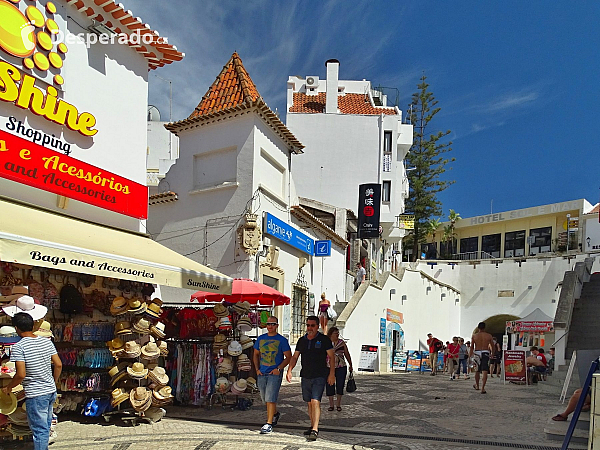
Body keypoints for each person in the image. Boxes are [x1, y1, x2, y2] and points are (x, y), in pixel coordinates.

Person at [2, 312, 62, 450]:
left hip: (36, 394)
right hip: (50, 391)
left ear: (16, 328)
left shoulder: (19, 347)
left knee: (39, 431)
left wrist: (9, 387)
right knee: (45, 427)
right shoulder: (46, 342)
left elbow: (21, 374)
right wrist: (53, 381)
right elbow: (58, 364)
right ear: (33, 325)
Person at [287, 316, 335, 442]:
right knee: (309, 402)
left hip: (320, 375)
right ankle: (312, 424)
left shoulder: (324, 340)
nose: (310, 328)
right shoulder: (302, 340)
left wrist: (332, 374)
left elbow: (332, 357)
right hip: (306, 375)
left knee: (315, 401)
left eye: (312, 325)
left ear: (318, 326)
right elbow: (295, 356)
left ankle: (315, 428)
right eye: (308, 325)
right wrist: (289, 370)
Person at [253, 316, 291, 434]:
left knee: (270, 397)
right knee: (265, 398)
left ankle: (269, 423)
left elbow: (288, 357)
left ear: (277, 325)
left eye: (273, 324)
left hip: (274, 373)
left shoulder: (282, 340)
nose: (270, 326)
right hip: (262, 373)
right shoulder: (260, 339)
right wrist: (257, 369)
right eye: (268, 324)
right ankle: (275, 413)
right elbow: (255, 354)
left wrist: (279, 369)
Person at [325, 327, 353, 411]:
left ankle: (338, 404)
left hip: (341, 366)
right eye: (335, 333)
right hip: (329, 366)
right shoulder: (327, 343)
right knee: (330, 385)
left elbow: (347, 353)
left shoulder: (342, 343)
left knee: (340, 385)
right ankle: (331, 404)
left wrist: (350, 364)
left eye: (338, 333)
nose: (337, 334)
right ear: (331, 334)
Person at [469, 322, 494, 394]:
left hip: (477, 352)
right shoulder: (488, 336)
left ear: (478, 328)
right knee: (485, 370)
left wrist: (470, 355)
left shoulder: (475, 336)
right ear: (484, 328)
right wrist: (492, 353)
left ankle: (477, 385)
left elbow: (472, 346)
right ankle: (483, 388)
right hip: (485, 352)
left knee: (477, 370)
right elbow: (492, 345)